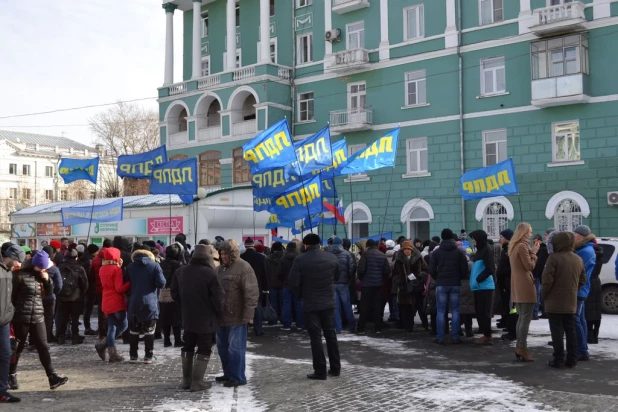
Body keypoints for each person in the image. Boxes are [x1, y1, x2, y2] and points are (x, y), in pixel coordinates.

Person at [10, 251, 68, 390]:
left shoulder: (43, 276)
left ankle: (52, 377)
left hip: (37, 316)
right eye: (43, 268)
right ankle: (11, 374)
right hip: (21, 316)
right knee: (18, 347)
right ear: (36, 265)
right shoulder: (18, 275)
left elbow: (49, 293)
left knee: (43, 346)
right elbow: (12, 297)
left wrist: (47, 280)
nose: (45, 270)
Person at [172, 245, 225, 392]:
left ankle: (186, 381)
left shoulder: (180, 271)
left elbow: (174, 293)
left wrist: (184, 305)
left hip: (188, 317)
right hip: (206, 318)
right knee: (204, 348)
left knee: (187, 346)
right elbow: (218, 298)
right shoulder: (210, 273)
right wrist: (218, 312)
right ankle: (197, 382)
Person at [289, 234, 341, 380]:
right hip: (329, 302)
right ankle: (335, 368)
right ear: (319, 243)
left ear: (305, 245)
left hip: (310, 303)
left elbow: (293, 282)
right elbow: (337, 276)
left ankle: (320, 371)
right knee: (331, 335)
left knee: (316, 338)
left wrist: (300, 296)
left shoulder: (300, 260)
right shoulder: (331, 257)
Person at [216, 240, 259, 388]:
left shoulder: (244, 268)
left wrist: (248, 315)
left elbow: (251, 293)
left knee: (235, 349)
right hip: (221, 316)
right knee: (223, 349)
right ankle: (228, 373)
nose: (223, 256)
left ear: (232, 253)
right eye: (221, 253)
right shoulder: (219, 269)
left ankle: (238, 376)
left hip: (237, 316)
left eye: (226, 253)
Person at [541, 231, 587, 369]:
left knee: (557, 331)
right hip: (570, 300)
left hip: (554, 301)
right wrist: (573, 289)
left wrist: (544, 295)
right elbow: (583, 279)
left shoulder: (553, 258)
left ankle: (558, 359)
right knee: (570, 330)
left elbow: (547, 280)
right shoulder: (577, 259)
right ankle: (572, 359)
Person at [126, 247, 166, 364]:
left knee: (134, 330)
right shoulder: (154, 266)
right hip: (150, 302)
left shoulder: (130, 267)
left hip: (134, 301)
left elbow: (126, 282)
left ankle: (133, 356)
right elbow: (162, 283)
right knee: (149, 330)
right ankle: (148, 356)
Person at [428, 229, 468, 344]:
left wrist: (438, 278)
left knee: (440, 311)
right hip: (455, 283)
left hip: (441, 284)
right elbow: (464, 269)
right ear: (452, 238)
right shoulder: (459, 252)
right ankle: (455, 337)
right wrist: (458, 278)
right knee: (455, 311)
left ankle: (440, 337)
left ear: (442, 237)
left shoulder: (437, 252)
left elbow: (431, 270)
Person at [509, 222, 539, 362]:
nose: (531, 234)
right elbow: (529, 266)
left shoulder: (514, 246)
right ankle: (522, 348)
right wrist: (534, 252)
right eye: (529, 231)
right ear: (524, 232)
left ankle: (520, 347)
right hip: (525, 285)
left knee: (521, 317)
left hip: (517, 285)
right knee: (525, 318)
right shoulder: (522, 246)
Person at [99, 247, 131, 362]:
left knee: (111, 327)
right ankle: (104, 345)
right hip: (116, 301)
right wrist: (129, 283)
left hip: (106, 301)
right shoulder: (116, 270)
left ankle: (111, 353)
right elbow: (119, 288)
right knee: (123, 325)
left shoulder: (102, 268)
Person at [1, 244, 23, 403]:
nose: (18, 265)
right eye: (17, 261)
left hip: (4, 320)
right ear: (11, 256)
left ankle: (2, 391)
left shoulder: (9, 272)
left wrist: (10, 311)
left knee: (6, 354)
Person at [356, 239, 390, 334]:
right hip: (378, 284)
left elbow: (360, 270)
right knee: (377, 307)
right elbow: (387, 271)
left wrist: (362, 279)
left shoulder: (365, 255)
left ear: (367, 246)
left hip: (366, 285)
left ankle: (361, 328)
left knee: (364, 307)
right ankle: (378, 328)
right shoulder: (382, 255)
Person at [572, 225, 596, 361]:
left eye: (575, 234)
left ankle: (582, 350)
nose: (573, 237)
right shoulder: (584, 249)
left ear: (580, 236)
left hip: (579, 290)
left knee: (576, 320)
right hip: (581, 289)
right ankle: (582, 348)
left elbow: (578, 272)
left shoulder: (586, 251)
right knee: (580, 319)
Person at [393, 240, 427, 333]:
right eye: (405, 249)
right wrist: (400, 280)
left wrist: (420, 276)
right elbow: (394, 273)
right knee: (406, 309)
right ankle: (408, 326)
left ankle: (425, 325)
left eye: (408, 249)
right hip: (404, 288)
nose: (407, 251)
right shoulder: (399, 260)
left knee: (419, 307)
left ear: (412, 249)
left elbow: (425, 270)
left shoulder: (418, 258)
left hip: (417, 287)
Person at [469, 230, 496, 345]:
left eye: (474, 238)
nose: (472, 241)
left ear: (479, 239)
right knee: (480, 311)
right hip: (479, 286)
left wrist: (478, 279)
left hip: (484, 286)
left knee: (485, 312)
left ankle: (487, 336)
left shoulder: (487, 250)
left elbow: (490, 269)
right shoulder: (480, 249)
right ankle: (485, 334)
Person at [57, 249, 89, 345]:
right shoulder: (79, 268)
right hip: (76, 297)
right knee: (75, 318)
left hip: (62, 297)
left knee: (63, 317)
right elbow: (85, 284)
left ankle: (61, 337)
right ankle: (75, 337)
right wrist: (81, 293)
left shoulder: (60, 267)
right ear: (76, 257)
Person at [240, 238, 269, 336]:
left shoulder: (241, 257)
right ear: (253, 246)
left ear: (245, 246)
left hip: (243, 285)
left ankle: (244, 330)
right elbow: (265, 273)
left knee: (243, 307)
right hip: (258, 285)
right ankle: (258, 329)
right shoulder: (260, 257)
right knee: (257, 308)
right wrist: (265, 287)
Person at [328, 237, 357, 334]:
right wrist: (348, 278)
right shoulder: (346, 253)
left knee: (335, 307)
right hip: (343, 283)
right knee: (347, 305)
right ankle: (352, 326)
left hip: (331, 283)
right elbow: (352, 268)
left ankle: (338, 328)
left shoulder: (328, 254)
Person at [159, 244, 184, 348]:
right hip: (175, 293)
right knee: (176, 318)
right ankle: (177, 340)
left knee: (165, 318)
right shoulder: (178, 264)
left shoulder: (161, 263)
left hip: (162, 293)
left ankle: (166, 340)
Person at [40, 246, 63, 344]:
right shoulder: (53, 268)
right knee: (49, 318)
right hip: (49, 297)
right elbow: (59, 285)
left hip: (36, 297)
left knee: (37, 318)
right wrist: (54, 293)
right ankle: (48, 336)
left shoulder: (34, 266)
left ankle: (35, 338)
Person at [278, 242, 303, 331]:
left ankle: (287, 324)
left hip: (286, 284)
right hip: (297, 284)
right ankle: (300, 324)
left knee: (286, 304)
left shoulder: (283, 259)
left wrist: (283, 281)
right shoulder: (299, 258)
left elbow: (279, 273)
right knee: (298, 303)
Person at [586, 240, 604, 344]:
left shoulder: (589, 254)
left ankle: (589, 336)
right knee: (596, 310)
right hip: (597, 282)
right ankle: (595, 335)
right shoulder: (600, 253)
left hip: (589, 282)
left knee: (588, 310)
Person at [80, 244, 99, 336]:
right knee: (88, 308)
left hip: (84, 287)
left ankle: (87, 327)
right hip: (90, 287)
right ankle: (87, 328)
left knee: (86, 308)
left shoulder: (82, 258)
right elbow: (90, 275)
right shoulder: (90, 261)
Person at [267, 242, 285, 324]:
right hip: (283, 283)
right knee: (283, 303)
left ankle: (273, 319)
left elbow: (266, 271)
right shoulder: (285, 257)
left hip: (271, 283)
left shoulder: (268, 258)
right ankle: (283, 319)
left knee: (273, 303)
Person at [531, 234, 548, 320]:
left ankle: (535, 313)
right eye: (534, 240)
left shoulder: (542, 249)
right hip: (537, 275)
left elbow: (539, 264)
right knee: (537, 294)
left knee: (537, 294)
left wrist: (535, 274)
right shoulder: (540, 249)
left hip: (538, 275)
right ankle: (535, 313)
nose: (535, 241)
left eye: (536, 240)